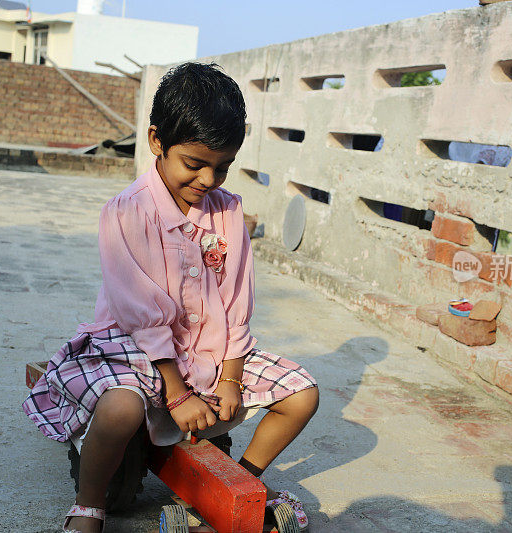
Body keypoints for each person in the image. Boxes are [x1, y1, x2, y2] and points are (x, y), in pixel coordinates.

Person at [22, 62, 319, 533]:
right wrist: (177, 394)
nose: (208, 180)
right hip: (138, 347)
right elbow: (142, 315)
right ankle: (88, 505)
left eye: (222, 168)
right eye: (195, 164)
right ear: (157, 141)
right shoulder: (126, 212)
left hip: (209, 347)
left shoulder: (229, 211)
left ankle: (246, 479)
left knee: (303, 395)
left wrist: (230, 380)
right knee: (119, 409)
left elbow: (237, 299)